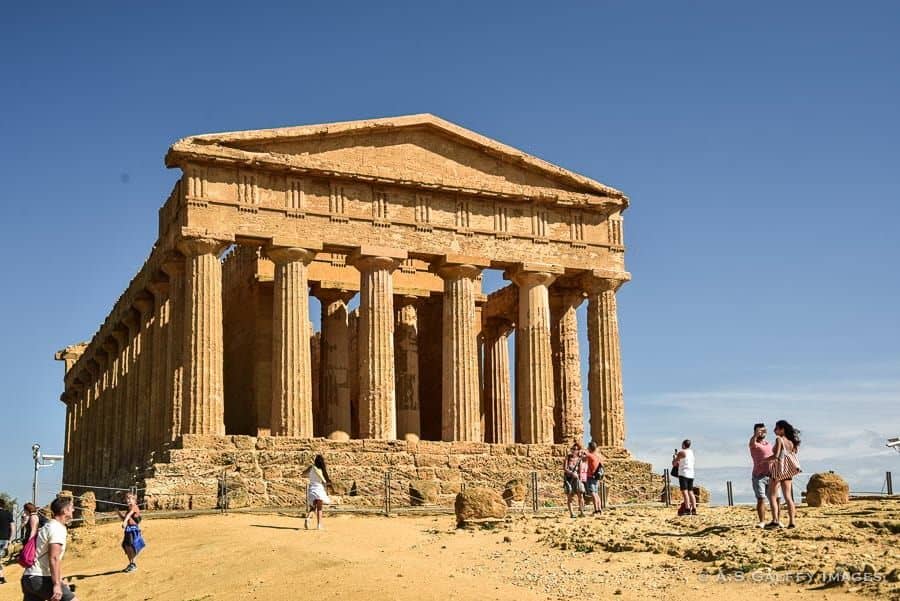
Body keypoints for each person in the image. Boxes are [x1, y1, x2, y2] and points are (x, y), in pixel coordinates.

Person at [21, 496, 79, 601]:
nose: (74, 510)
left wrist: (59, 580)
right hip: (40, 578)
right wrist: (57, 584)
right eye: (72, 507)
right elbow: (54, 558)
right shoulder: (57, 528)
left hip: (28, 578)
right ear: (65, 510)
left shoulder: (48, 526)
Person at [766, 419, 801, 529]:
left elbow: (776, 456)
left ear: (782, 429)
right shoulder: (791, 442)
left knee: (772, 495)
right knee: (788, 497)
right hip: (788, 471)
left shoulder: (779, 439)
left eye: (776, 428)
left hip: (778, 470)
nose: (774, 430)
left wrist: (764, 461)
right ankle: (792, 522)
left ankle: (775, 520)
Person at [749, 423, 774, 528]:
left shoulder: (768, 444)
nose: (762, 432)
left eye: (764, 431)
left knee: (775, 499)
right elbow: (751, 442)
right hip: (759, 476)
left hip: (771, 475)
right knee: (761, 499)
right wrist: (755, 434)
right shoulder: (754, 444)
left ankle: (775, 520)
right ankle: (762, 521)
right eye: (760, 431)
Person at [117, 492, 145, 573]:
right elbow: (124, 518)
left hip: (133, 529)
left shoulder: (134, 507)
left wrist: (125, 521)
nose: (129, 500)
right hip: (128, 530)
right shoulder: (128, 509)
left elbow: (129, 515)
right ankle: (131, 564)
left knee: (132, 547)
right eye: (127, 498)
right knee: (127, 547)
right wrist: (118, 513)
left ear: (135, 501)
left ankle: (133, 564)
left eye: (131, 499)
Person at [302, 455, 331, 530]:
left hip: (312, 489)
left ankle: (308, 518)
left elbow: (303, 474)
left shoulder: (311, 468)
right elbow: (325, 480)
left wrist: (309, 475)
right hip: (319, 489)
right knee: (319, 508)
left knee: (313, 507)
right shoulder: (321, 470)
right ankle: (319, 525)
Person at [672, 439, 696, 515]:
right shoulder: (691, 452)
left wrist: (675, 458)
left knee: (685, 492)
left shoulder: (681, 452)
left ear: (683, 445)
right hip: (691, 474)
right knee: (691, 492)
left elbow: (674, 463)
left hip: (683, 474)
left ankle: (687, 508)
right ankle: (694, 509)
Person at [563, 441, 586, 518]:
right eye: (573, 448)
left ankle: (582, 512)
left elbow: (580, 470)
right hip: (569, 479)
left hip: (577, 479)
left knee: (581, 495)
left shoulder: (579, 459)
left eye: (576, 449)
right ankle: (572, 514)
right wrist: (571, 473)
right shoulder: (568, 457)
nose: (574, 450)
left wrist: (580, 478)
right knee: (570, 497)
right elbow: (565, 468)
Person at [584, 441, 606, 515]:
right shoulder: (599, 456)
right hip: (597, 476)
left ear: (590, 447)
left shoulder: (589, 455)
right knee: (596, 493)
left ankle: (596, 509)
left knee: (593, 493)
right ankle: (599, 509)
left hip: (590, 476)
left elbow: (582, 454)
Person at [0, 499, 13, 585]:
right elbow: (13, 527)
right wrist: (10, 540)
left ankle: (1, 577)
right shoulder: (8, 514)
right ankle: (1, 577)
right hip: (5, 539)